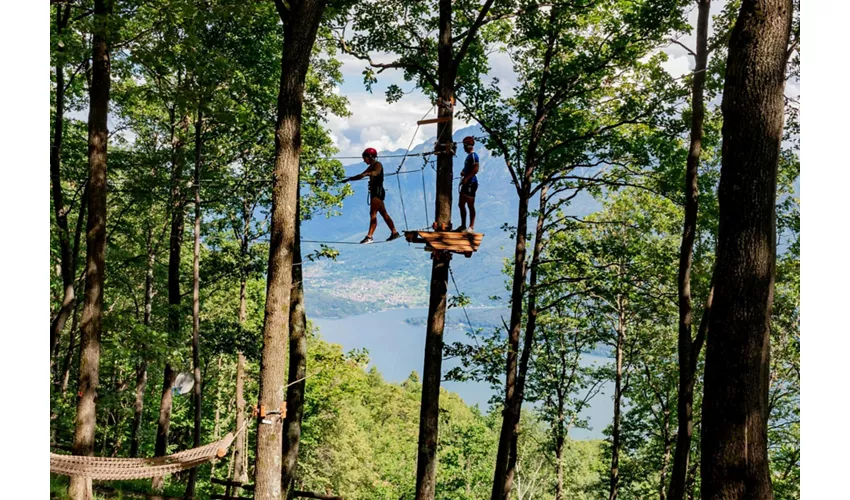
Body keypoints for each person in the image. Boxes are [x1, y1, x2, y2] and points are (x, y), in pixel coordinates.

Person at [340, 147, 402, 244]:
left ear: (370, 156)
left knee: (373, 214)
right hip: (376, 192)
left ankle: (369, 237)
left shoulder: (377, 165)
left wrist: (367, 174)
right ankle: (394, 232)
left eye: (364, 158)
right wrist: (349, 179)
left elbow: (376, 173)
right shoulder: (372, 165)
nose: (364, 161)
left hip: (377, 192)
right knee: (384, 214)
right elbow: (362, 175)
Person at [457, 136, 479, 233]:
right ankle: (463, 225)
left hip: (471, 183)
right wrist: (463, 172)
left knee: (470, 205)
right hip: (466, 183)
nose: (463, 148)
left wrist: (466, 178)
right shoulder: (468, 157)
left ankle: (471, 227)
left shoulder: (474, 156)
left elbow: (475, 169)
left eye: (464, 146)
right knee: (461, 204)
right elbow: (468, 168)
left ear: (468, 146)